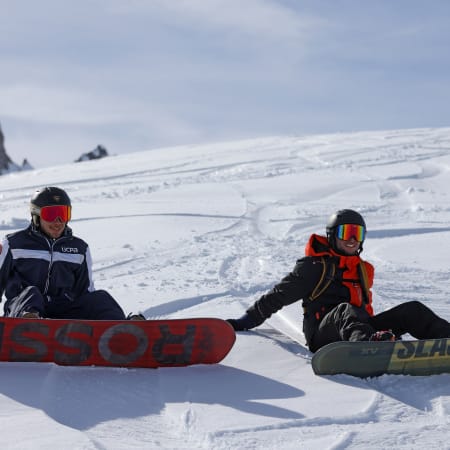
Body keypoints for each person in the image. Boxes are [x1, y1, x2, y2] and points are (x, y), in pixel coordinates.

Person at [227, 209, 450, 352]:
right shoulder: (314, 266)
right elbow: (278, 296)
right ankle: (368, 347)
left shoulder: (361, 269)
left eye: (358, 234)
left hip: (360, 331)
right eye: (346, 233)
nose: (353, 240)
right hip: (323, 337)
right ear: (333, 235)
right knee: (346, 309)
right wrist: (244, 321)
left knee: (413, 310)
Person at [0, 186, 144, 320]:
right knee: (32, 293)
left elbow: (85, 292)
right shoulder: (14, 243)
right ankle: (29, 325)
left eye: (63, 214)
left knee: (100, 298)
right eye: (51, 214)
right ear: (36, 215)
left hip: (63, 312)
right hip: (21, 310)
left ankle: (124, 331)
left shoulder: (79, 249)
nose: (58, 221)